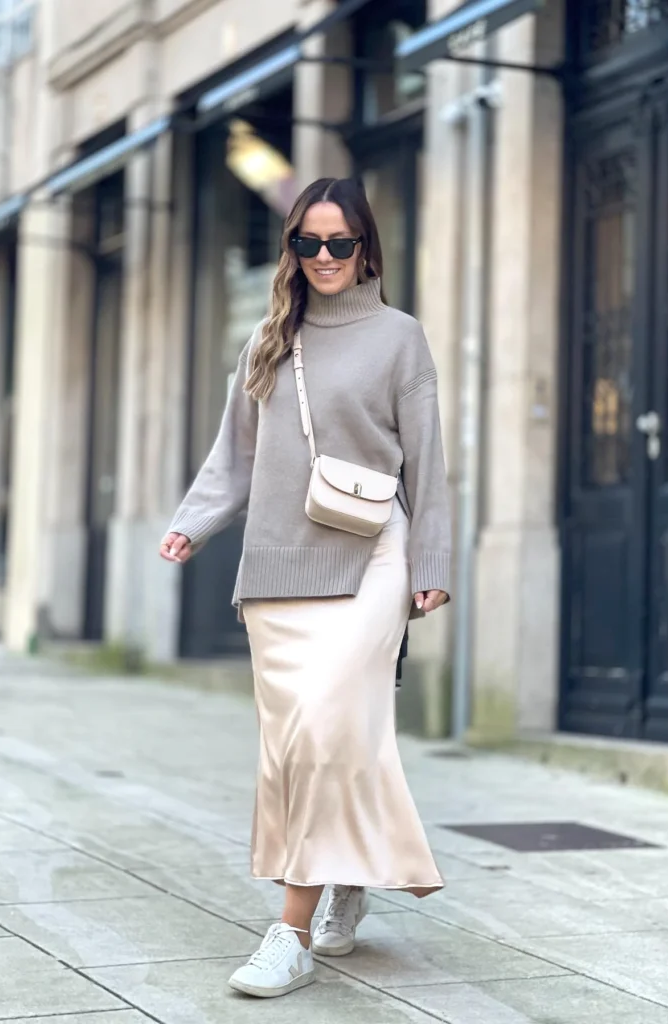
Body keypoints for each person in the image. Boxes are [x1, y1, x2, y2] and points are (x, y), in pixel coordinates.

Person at [160, 177, 451, 999]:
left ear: (365, 249)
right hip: (278, 569)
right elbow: (236, 455)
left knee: (325, 731)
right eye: (307, 242)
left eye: (339, 243)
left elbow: (428, 461)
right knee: (301, 751)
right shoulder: (270, 338)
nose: (324, 257)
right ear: (291, 248)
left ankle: (289, 932)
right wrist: (194, 522)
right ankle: (346, 876)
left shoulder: (398, 337)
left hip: (372, 559)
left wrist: (432, 564)